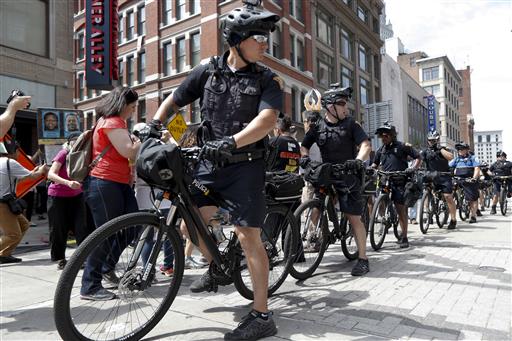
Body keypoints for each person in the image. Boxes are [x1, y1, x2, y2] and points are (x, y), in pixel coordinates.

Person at [150, 1, 282, 339]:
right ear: (237, 39)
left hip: (246, 166)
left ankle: (263, 316)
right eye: (259, 37)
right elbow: (174, 100)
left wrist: (233, 142)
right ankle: (217, 265)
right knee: (188, 222)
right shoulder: (206, 70)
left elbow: (267, 120)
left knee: (247, 235)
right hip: (209, 163)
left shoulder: (267, 78)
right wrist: (154, 125)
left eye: (266, 38)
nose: (265, 43)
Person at [300, 84, 372, 275]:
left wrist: (358, 160)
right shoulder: (317, 127)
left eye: (345, 103)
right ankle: (312, 237)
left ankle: (363, 259)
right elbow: (305, 146)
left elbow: (365, 145)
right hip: (326, 173)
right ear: (330, 106)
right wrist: (305, 158)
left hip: (348, 174)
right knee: (315, 206)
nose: (345, 107)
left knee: (353, 217)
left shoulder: (351, 124)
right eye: (341, 103)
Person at [80, 87, 141, 301]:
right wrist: (138, 144)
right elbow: (128, 152)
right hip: (104, 182)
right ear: (122, 104)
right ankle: (90, 285)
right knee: (106, 233)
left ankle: (107, 267)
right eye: (132, 107)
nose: (133, 112)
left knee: (133, 227)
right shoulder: (112, 121)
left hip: (117, 183)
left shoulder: (113, 123)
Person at [371, 122, 421, 248]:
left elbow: (418, 157)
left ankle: (404, 237)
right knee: (380, 201)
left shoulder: (402, 146)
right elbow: (375, 164)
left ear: (392, 135)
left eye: (386, 135)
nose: (383, 138)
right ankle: (384, 219)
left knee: (400, 209)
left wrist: (413, 168)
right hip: (385, 180)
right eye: (381, 136)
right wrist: (370, 169)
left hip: (400, 181)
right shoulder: (380, 150)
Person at [47, 132, 91, 270]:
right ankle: (60, 259)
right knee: (59, 228)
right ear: (69, 142)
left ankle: (82, 259)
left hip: (77, 196)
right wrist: (68, 183)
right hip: (57, 196)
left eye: (79, 140)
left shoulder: (85, 155)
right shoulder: (63, 153)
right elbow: (50, 174)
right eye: (74, 140)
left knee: (81, 228)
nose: (77, 143)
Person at [0, 140, 48, 264]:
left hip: (7, 202)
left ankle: (4, 254)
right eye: (18, 151)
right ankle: (3, 253)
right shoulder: (10, 163)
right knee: (13, 235)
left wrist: (36, 171)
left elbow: (24, 177)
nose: (18, 155)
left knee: (24, 225)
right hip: (3, 204)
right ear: (14, 151)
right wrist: (42, 170)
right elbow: (32, 177)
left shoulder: (3, 163)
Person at [419, 130, 457, 229]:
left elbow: (451, 157)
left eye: (434, 140)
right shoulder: (425, 151)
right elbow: (419, 160)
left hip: (444, 176)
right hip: (430, 176)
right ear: (427, 141)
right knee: (426, 192)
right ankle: (427, 213)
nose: (432, 142)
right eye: (430, 140)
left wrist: (440, 149)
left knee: (448, 196)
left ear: (438, 140)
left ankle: (453, 220)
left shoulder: (443, 149)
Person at [449, 142, 481, 223]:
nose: (460, 150)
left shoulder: (473, 158)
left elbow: (477, 169)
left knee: (472, 199)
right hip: (458, 179)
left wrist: (474, 178)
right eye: (458, 149)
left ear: (467, 150)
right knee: (448, 192)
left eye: (462, 149)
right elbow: (449, 166)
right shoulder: (457, 159)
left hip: (469, 180)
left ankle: (473, 216)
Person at [489, 150, 512, 214]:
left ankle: (509, 193)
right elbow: (489, 171)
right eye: (499, 156)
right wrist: (492, 174)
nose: (501, 158)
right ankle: (493, 208)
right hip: (497, 180)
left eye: (503, 156)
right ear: (497, 157)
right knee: (496, 195)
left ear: (505, 157)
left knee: (511, 191)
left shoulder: (509, 163)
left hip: (508, 179)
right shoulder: (494, 164)